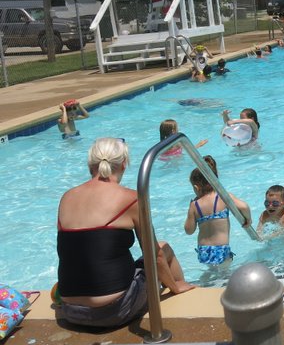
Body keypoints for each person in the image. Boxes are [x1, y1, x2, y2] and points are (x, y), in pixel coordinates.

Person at [56, 138, 193, 328]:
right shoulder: (131, 199)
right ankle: (182, 292)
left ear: (90, 164)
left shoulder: (66, 197)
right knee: (163, 248)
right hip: (114, 311)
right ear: (123, 164)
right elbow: (155, 256)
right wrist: (174, 286)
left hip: (70, 310)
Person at [184, 155, 251, 265]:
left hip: (203, 250)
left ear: (196, 187)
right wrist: (248, 219)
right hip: (221, 249)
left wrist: (190, 208)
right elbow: (244, 207)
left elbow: (189, 230)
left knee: (211, 273)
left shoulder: (194, 205)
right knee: (224, 274)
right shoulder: (222, 197)